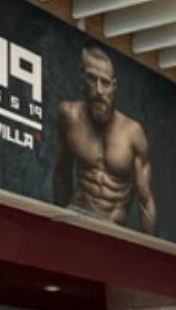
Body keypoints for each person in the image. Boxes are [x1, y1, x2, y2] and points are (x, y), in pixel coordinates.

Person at [54, 41, 157, 235]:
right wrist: (58, 228)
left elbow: (145, 199)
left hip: (111, 228)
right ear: (82, 78)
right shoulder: (69, 115)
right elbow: (61, 173)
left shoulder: (133, 132)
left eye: (105, 83)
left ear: (114, 86)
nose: (99, 90)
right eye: (92, 79)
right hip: (76, 216)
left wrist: (152, 249)